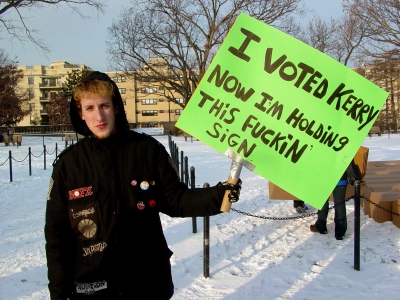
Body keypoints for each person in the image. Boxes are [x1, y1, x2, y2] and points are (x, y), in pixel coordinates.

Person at [44, 71, 242, 300]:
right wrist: (59, 294)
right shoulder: (68, 166)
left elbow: (175, 200)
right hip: (93, 286)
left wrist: (219, 194)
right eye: (90, 108)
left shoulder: (148, 150)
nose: (99, 116)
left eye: (104, 106)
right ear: (80, 113)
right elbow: (57, 236)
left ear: (116, 107)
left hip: (147, 282)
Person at [310, 160, 360, 240]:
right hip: (341, 177)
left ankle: (321, 226)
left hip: (323, 177)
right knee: (340, 203)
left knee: (323, 201)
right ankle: (340, 232)